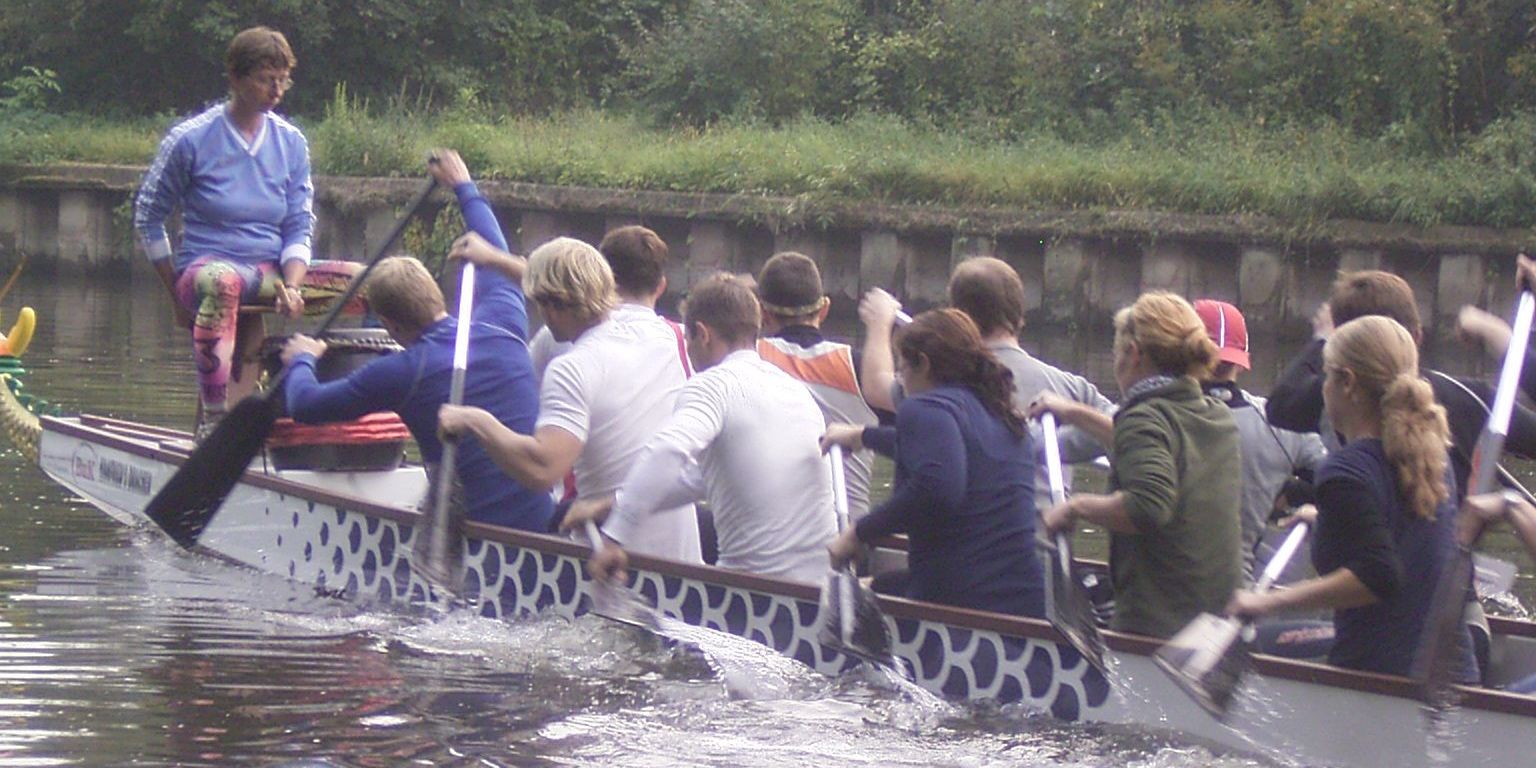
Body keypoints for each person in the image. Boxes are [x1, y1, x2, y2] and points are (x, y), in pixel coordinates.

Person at [279, 150, 551, 531]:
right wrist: (463, 186)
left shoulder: (402, 371)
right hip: (541, 520)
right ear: (435, 295)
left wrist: (302, 360)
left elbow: (305, 405)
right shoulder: (505, 321)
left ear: (389, 325)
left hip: (481, 536)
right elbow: (492, 248)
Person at [134, 26, 363, 437]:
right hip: (207, 269)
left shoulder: (291, 143)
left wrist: (293, 286)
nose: (276, 89)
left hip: (272, 274)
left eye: (283, 79)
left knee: (371, 283)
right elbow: (148, 217)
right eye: (264, 78)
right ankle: (216, 421)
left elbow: (298, 223)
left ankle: (359, 408)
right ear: (236, 78)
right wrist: (175, 298)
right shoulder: (189, 141)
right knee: (223, 283)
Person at [1228, 316, 1477, 682]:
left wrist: (1266, 601)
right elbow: (1398, 528)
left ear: (1347, 383)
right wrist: (1325, 516)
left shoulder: (1344, 470)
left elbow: (1377, 576)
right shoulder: (1430, 455)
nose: (1322, 387)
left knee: (1254, 646)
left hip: (1384, 681)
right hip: (1454, 676)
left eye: (1326, 376)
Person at [561, 273, 837, 584]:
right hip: (817, 590)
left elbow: (667, 451)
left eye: (688, 340)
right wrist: (607, 507)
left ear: (702, 334)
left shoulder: (712, 386)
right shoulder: (794, 390)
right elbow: (698, 479)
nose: (688, 353)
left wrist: (614, 539)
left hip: (753, 598)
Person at [436, 237, 700, 562]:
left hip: (613, 560)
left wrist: (474, 419)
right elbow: (562, 282)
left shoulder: (571, 367)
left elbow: (543, 469)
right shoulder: (667, 335)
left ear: (550, 306)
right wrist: (495, 259)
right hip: (684, 560)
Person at [1033, 292, 1243, 639]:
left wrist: (1075, 507)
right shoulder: (1212, 413)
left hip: (1158, 625)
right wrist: (1074, 412)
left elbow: (1148, 507)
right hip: (1215, 618)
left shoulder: (1145, 416)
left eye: (1116, 352)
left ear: (1133, 354)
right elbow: (1147, 446)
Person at [821, 309, 1046, 617]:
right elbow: (930, 448)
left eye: (902, 368)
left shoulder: (924, 407)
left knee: (853, 593)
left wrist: (859, 532)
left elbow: (936, 488)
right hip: (1023, 601)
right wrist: (863, 436)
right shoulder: (1003, 415)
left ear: (923, 364)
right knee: (879, 583)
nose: (900, 379)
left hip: (959, 608)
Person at [1267, 270, 1536, 501]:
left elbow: (1279, 406)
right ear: (1417, 335)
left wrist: (1323, 339)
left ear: (1343, 350)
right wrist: (1503, 339)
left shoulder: (1340, 395)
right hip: (1447, 556)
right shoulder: (1472, 398)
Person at [1194, 299, 1327, 582]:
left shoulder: (1155, 413)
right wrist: (1290, 491)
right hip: (1235, 590)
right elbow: (1334, 480)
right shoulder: (1282, 425)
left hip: (1157, 596)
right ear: (1242, 363)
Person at [754, 252, 879, 523]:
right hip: (849, 532)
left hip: (772, 528)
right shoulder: (860, 368)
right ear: (824, 309)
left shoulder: (750, 358)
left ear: (762, 314)